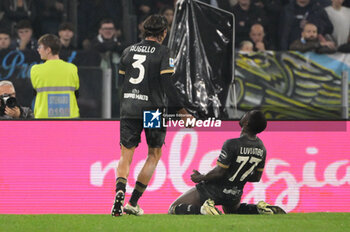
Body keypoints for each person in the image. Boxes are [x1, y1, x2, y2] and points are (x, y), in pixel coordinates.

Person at [111, 14, 193, 217]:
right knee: (154, 154)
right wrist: (182, 112)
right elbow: (167, 84)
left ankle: (120, 191)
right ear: (163, 33)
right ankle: (132, 203)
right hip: (153, 110)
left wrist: (127, 103)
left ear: (144, 30)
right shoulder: (164, 52)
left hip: (129, 108)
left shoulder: (128, 51)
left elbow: (120, 85)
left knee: (125, 154)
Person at [168, 110, 285, 215]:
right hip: (234, 195)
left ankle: (203, 210)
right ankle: (258, 209)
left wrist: (200, 177)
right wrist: (238, 174)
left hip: (213, 191)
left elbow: (219, 172)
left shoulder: (232, 144)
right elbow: (256, 178)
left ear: (246, 123)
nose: (243, 115)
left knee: (173, 208)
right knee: (232, 211)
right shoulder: (262, 149)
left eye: (246, 115)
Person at [30, 34, 80, 118]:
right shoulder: (72, 68)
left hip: (44, 118)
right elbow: (76, 90)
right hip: (70, 118)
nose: (38, 50)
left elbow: (35, 89)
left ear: (48, 50)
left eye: (40, 47)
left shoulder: (35, 69)